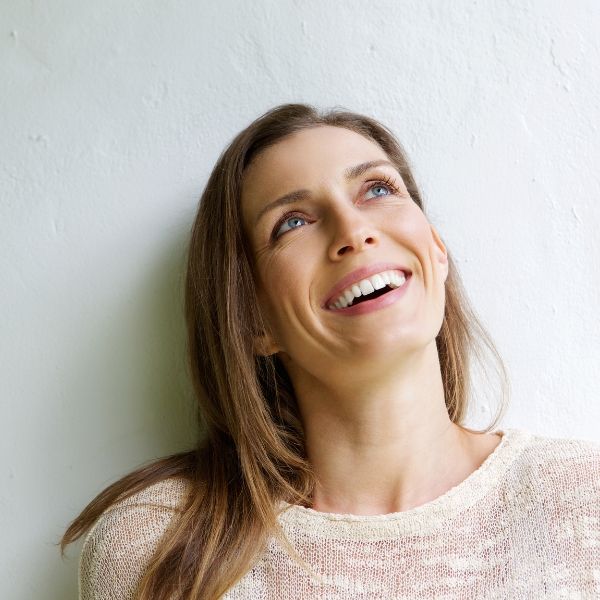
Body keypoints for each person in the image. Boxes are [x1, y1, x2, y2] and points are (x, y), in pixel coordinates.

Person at [60, 104, 600, 599]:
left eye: (377, 189)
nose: (355, 230)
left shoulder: (582, 502)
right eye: (292, 222)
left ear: (436, 251)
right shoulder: (160, 549)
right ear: (252, 318)